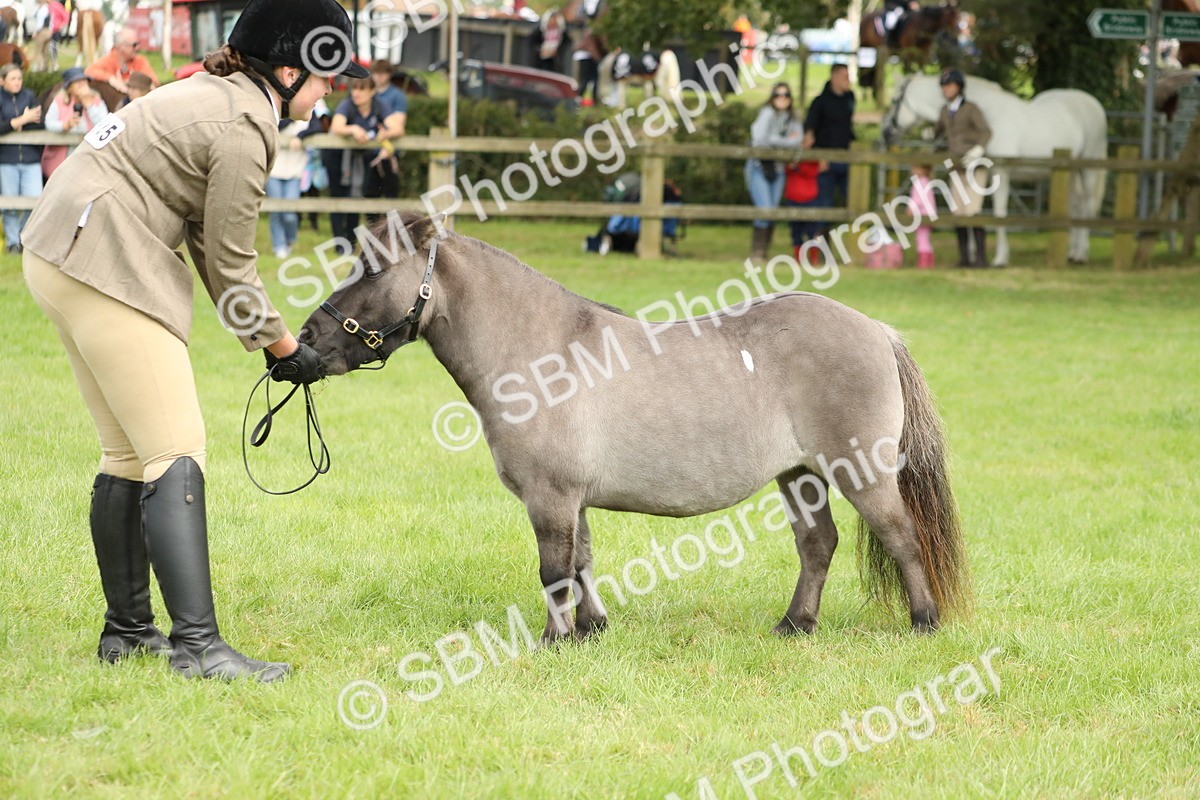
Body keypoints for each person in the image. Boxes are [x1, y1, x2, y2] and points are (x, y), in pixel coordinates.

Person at [21, 0, 368, 683]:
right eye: (329, 80)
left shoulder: (213, 93)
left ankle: (126, 633)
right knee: (175, 450)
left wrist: (269, 338)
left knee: (127, 450)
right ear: (291, 70)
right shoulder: (245, 125)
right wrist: (280, 347)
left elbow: (212, 245)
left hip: (57, 246)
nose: (332, 94)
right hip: (102, 252)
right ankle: (199, 649)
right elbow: (234, 262)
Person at [329, 75, 404, 240]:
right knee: (340, 199)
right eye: (354, 88)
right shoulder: (347, 105)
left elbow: (397, 128)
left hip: (364, 161)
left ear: (372, 91)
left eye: (361, 89)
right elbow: (336, 127)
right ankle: (340, 242)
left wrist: (386, 132)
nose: (356, 93)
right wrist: (353, 129)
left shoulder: (379, 106)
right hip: (341, 161)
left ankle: (355, 241)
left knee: (361, 197)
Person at [934, 69, 992, 267]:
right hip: (956, 168)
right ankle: (965, 258)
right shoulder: (944, 111)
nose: (946, 89)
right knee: (958, 212)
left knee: (972, 210)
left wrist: (978, 150)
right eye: (944, 86)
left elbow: (986, 132)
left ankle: (981, 258)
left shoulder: (971, 109)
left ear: (959, 87)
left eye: (949, 85)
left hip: (974, 166)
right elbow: (939, 134)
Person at [745, 81, 803, 262]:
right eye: (778, 95)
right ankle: (757, 254)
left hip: (778, 169)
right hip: (759, 167)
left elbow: (797, 140)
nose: (782, 98)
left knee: (772, 211)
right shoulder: (766, 114)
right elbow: (759, 138)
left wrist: (774, 140)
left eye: (786, 95)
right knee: (765, 209)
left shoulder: (793, 118)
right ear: (772, 97)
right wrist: (783, 140)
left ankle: (763, 252)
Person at [803, 63, 855, 240]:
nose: (848, 81)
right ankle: (823, 247)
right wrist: (818, 157)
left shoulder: (850, 98)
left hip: (847, 158)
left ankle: (855, 245)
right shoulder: (820, 102)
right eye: (845, 76)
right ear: (834, 77)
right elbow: (810, 132)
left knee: (854, 201)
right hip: (826, 160)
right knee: (825, 206)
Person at [0, 65, 44, 254]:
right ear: (2, 81)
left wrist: (16, 124)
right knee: (9, 203)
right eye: (13, 78)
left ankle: (24, 238)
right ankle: (12, 243)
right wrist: (22, 120)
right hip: (7, 159)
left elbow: (39, 124)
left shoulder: (30, 96)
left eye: (19, 78)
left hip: (30, 158)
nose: (17, 82)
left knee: (35, 201)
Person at [42, 67, 108, 179]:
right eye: (77, 82)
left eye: (84, 81)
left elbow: (104, 124)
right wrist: (65, 125)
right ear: (68, 87)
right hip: (64, 156)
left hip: (90, 156)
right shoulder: (59, 100)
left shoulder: (96, 100)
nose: (82, 85)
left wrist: (89, 105)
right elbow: (49, 123)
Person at [268, 118, 308, 259]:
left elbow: (317, 128)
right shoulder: (279, 115)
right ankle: (278, 246)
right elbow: (276, 126)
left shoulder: (308, 118)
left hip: (294, 173)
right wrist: (291, 115)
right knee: (276, 212)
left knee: (290, 214)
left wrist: (300, 136)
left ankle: (290, 240)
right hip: (274, 171)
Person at [85, 27, 159, 96]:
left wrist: (127, 83)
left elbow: (154, 81)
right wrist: (111, 78)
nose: (137, 48)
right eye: (134, 45)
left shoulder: (140, 61)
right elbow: (89, 71)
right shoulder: (108, 60)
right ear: (121, 47)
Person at [783, 157, 823, 263]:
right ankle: (798, 258)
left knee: (812, 230)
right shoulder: (791, 153)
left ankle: (814, 257)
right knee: (796, 230)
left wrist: (800, 168)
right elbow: (785, 169)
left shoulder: (815, 155)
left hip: (810, 198)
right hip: (793, 197)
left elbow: (821, 168)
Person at [909, 163, 936, 268]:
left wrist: (910, 208)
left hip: (923, 215)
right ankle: (929, 263)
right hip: (929, 214)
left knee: (921, 240)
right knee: (925, 239)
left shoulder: (920, 183)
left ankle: (923, 264)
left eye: (915, 168)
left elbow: (918, 199)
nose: (912, 170)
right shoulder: (926, 182)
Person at [32, 0, 70, 72]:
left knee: (47, 48)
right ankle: (47, 66)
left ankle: (51, 64)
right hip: (50, 31)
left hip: (53, 30)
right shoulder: (47, 7)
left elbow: (65, 15)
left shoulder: (55, 6)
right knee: (47, 50)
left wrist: (62, 25)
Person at [572, 28, 605, 107]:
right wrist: (598, 58)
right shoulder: (593, 31)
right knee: (587, 79)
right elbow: (592, 47)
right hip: (588, 57)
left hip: (585, 56)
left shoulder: (590, 31)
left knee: (589, 79)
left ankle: (583, 98)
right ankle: (578, 98)